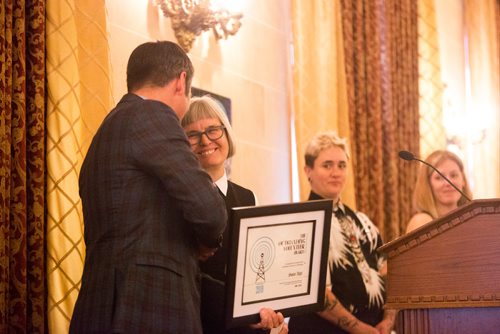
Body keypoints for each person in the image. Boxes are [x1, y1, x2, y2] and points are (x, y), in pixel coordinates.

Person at [70, 41, 227, 334]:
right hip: (147, 306)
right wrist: (206, 241)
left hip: (100, 306)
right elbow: (210, 211)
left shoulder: (106, 131)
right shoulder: (154, 115)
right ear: (181, 81)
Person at [181, 95, 288, 334]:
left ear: (227, 133)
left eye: (213, 130)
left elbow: (259, 269)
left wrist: (273, 316)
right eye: (193, 135)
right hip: (202, 323)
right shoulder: (179, 200)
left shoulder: (249, 197)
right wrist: (246, 314)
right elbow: (190, 276)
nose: (205, 140)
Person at [288, 131, 396, 334]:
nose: (336, 172)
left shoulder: (363, 221)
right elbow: (315, 292)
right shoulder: (300, 222)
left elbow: (388, 269)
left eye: (342, 165)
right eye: (327, 165)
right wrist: (359, 329)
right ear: (308, 170)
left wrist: (388, 319)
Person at [406, 150, 472, 233]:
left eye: (454, 175)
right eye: (439, 177)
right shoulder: (421, 221)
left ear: (463, 181)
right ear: (428, 185)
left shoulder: (473, 218)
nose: (448, 183)